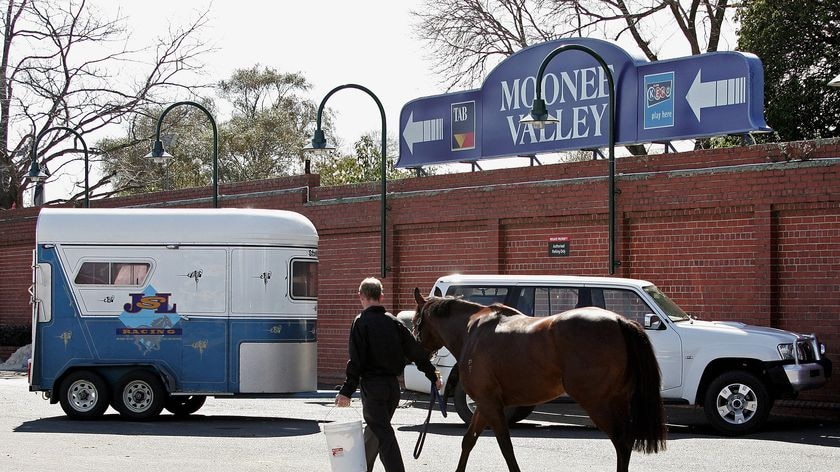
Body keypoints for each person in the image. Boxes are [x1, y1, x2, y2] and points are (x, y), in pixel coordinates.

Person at [335, 277, 442, 472]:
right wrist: (432, 376)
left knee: (382, 433)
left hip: (373, 387)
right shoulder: (395, 322)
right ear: (381, 296)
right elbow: (416, 352)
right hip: (393, 388)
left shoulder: (360, 322)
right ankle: (359, 468)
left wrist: (346, 391)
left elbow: (356, 361)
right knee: (376, 430)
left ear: (361, 296)